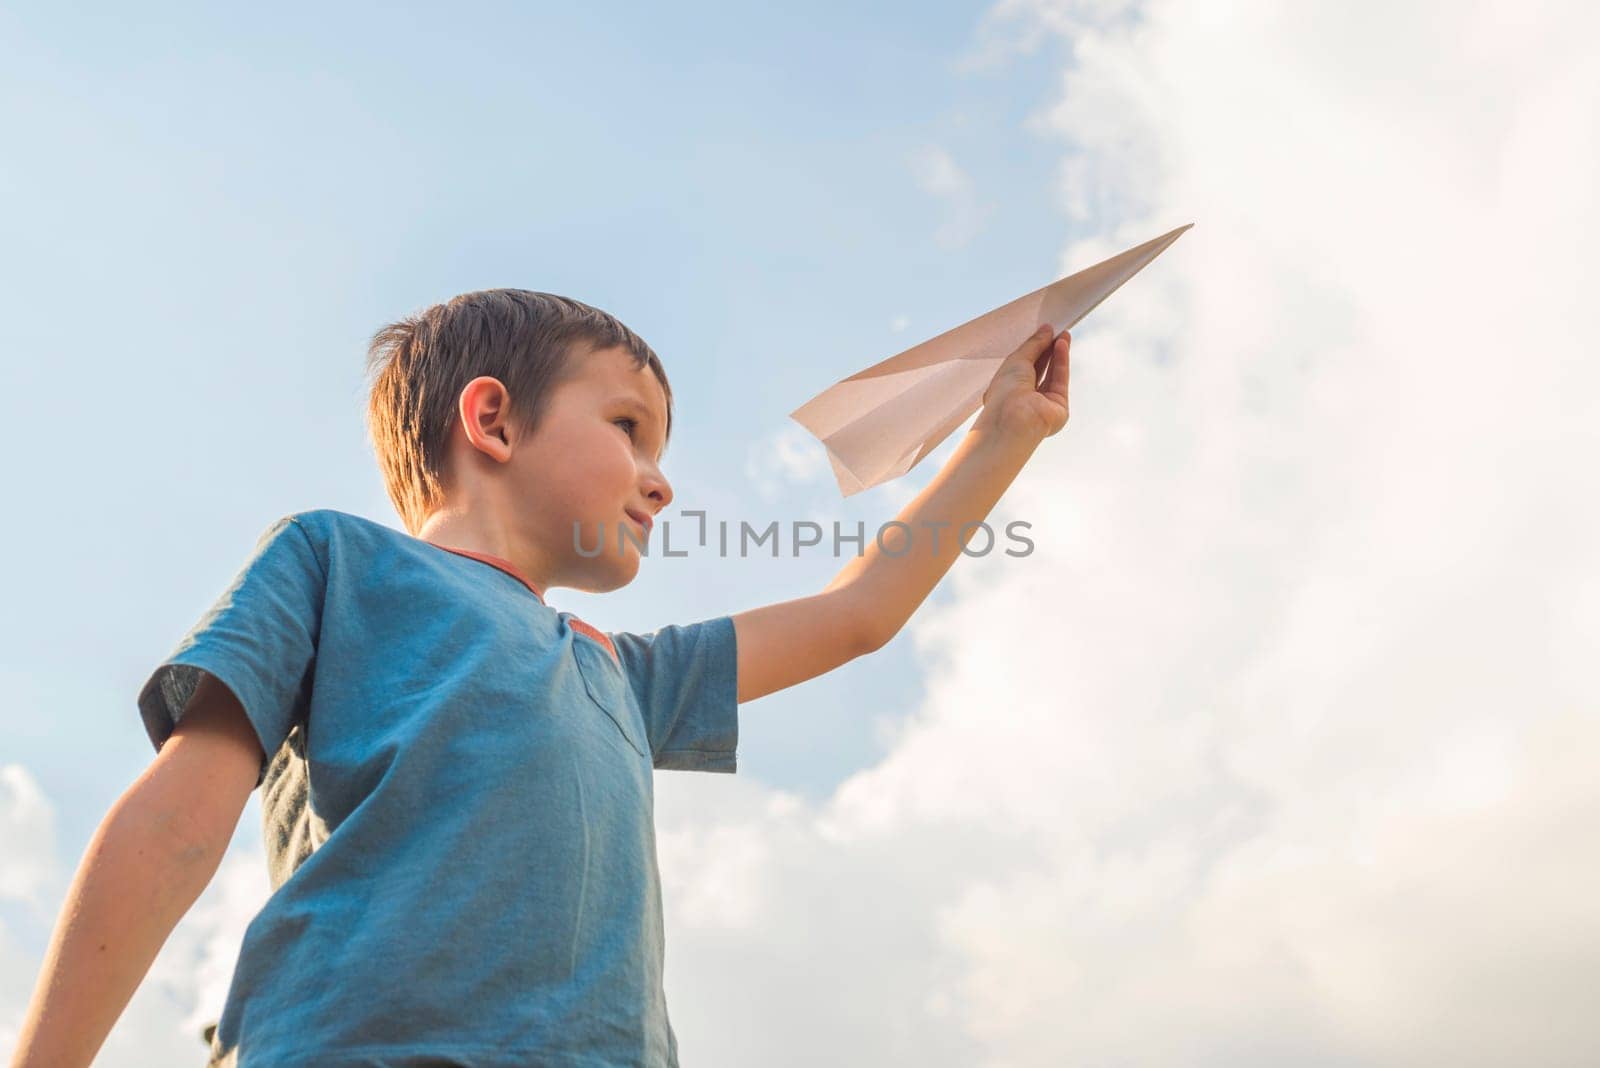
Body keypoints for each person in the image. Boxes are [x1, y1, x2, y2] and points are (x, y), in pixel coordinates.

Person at [9, 289, 1071, 1067]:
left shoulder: (618, 672)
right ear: (494, 422)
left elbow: (855, 616)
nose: (661, 480)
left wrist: (1004, 432)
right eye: (628, 427)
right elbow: (176, 825)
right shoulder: (337, 562)